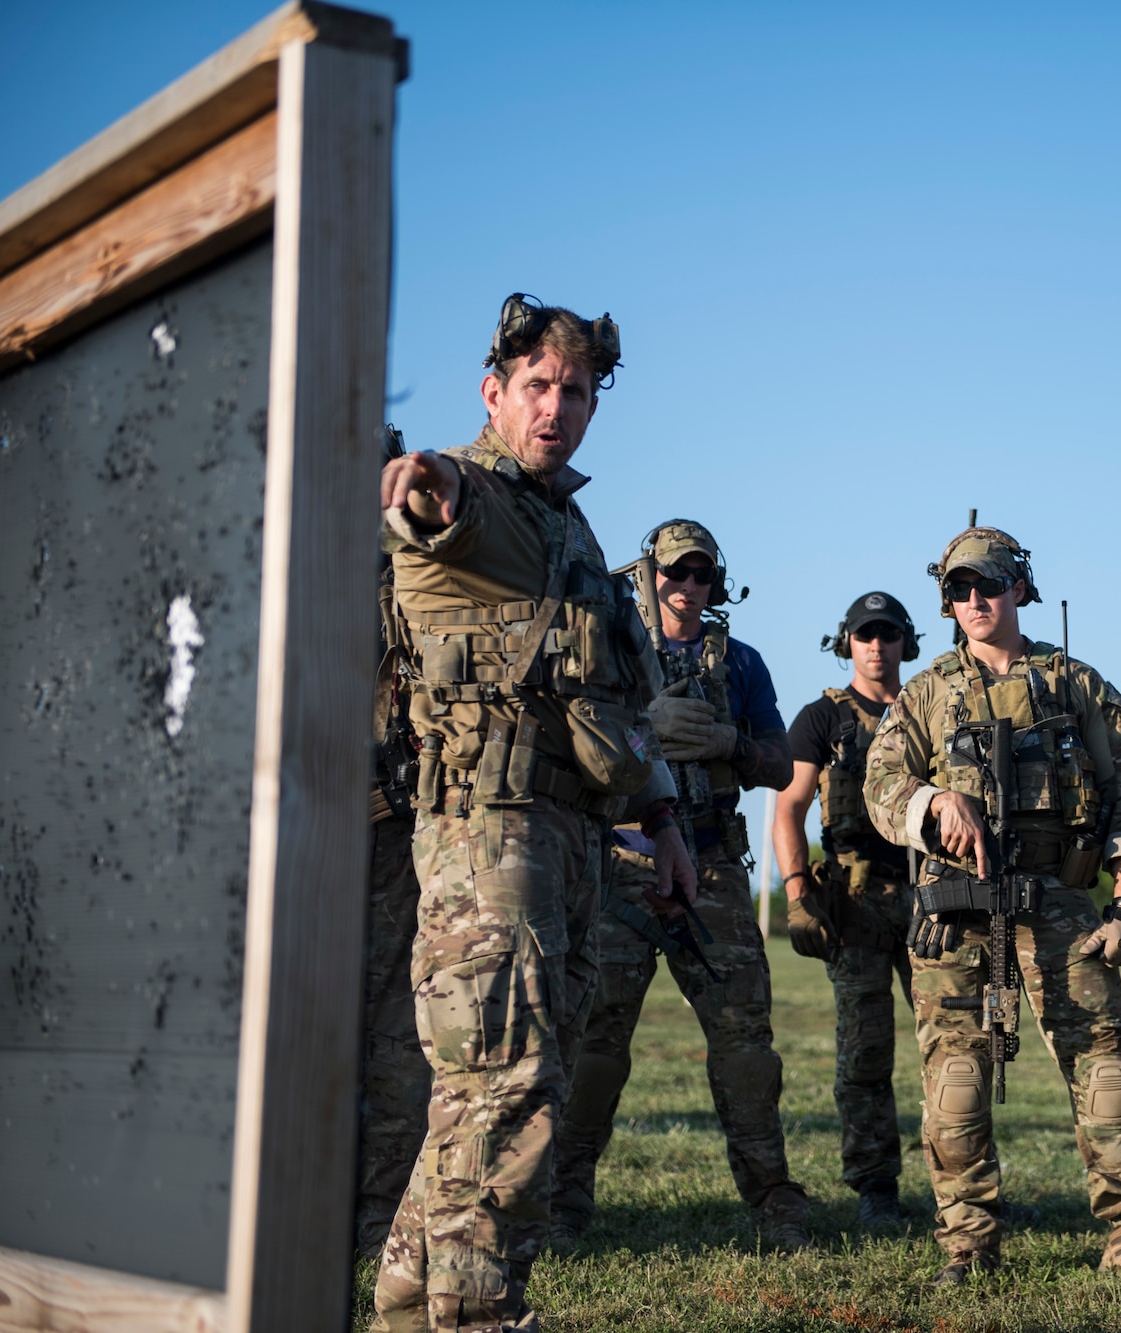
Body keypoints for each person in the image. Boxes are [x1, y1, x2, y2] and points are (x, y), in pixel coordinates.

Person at [372, 296, 692, 1331]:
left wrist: (665, 821)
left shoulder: (572, 529)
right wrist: (427, 485)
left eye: (577, 391)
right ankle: (475, 1317)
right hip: (486, 838)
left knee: (484, 1093)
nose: (556, 408)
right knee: (509, 1092)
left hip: (564, 842)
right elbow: (435, 505)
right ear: (493, 392)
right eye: (537, 388)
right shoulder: (492, 506)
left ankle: (405, 1304)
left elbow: (613, 701)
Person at [863, 525, 1121, 1284]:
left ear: (1019, 588)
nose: (976, 601)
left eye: (990, 585)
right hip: (955, 907)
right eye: (960, 590)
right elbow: (881, 785)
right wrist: (935, 801)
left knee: (1104, 1072)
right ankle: (967, 1241)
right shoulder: (928, 691)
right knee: (956, 1082)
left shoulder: (1075, 682)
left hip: (1060, 903)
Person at [551, 519, 809, 1251]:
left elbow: (782, 766)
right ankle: (565, 1202)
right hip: (626, 862)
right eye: (674, 573)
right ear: (647, 577)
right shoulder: (613, 654)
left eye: (700, 575)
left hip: (715, 868)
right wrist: (645, 734)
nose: (687, 587)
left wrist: (731, 743)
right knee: (596, 1040)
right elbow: (577, 744)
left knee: (745, 1046)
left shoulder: (742, 663)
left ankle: (774, 1203)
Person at [771, 592, 921, 1229]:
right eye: (865, 635)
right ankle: (875, 1187)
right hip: (854, 902)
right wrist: (797, 890)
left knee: (955, 1047)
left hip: (930, 897)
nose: (877, 646)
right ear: (848, 643)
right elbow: (788, 808)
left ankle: (963, 1185)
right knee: (863, 1054)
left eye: (888, 634)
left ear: (905, 643)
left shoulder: (931, 710)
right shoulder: (821, 718)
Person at [353, 553, 431, 1261]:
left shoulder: (422, 600)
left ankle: (379, 1219)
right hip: (303, 851)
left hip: (400, 855)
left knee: (398, 1043)